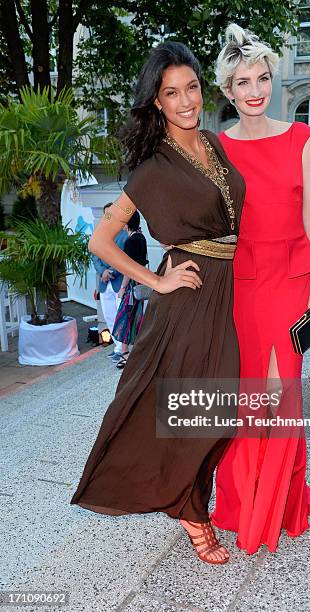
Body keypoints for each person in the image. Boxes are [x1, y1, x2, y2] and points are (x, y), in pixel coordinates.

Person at [70, 41, 245, 565]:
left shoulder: (214, 144)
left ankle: (187, 497)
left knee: (223, 407)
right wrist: (155, 281)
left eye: (191, 87)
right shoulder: (151, 170)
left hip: (229, 289)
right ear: (157, 103)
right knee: (205, 413)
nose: (186, 100)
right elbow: (99, 241)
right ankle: (193, 511)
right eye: (172, 93)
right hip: (188, 298)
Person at [210, 24, 310, 554]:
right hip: (243, 281)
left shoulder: (299, 137)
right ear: (228, 91)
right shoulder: (215, 147)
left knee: (283, 388)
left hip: (291, 277)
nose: (254, 90)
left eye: (261, 78)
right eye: (242, 82)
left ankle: (280, 501)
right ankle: (243, 499)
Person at [92, 203, 128, 361]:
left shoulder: (124, 235)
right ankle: (117, 346)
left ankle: (122, 348)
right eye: (105, 215)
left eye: (110, 214)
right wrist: (102, 272)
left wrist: (111, 271)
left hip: (118, 281)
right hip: (104, 283)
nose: (107, 218)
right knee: (109, 316)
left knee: (120, 315)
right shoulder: (99, 233)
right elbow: (94, 255)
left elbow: (124, 259)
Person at [112, 210, 148, 369]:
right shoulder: (141, 238)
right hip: (140, 281)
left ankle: (126, 354)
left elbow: (128, 269)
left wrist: (122, 287)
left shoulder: (130, 241)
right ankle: (130, 353)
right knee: (135, 317)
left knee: (125, 318)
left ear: (126, 223)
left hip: (132, 285)